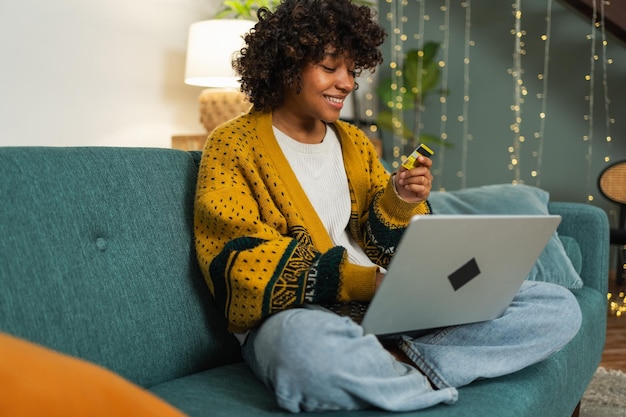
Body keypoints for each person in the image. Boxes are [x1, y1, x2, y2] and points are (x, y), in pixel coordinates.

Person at [193, 0, 582, 412]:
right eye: (330, 67)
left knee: (555, 307)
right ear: (286, 64)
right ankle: (424, 368)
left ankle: (401, 367)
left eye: (352, 70)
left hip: (391, 307)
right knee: (302, 352)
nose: (346, 83)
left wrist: (401, 202)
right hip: (304, 317)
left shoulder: (354, 144)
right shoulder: (232, 144)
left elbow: (395, 249)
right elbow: (237, 260)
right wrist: (364, 283)